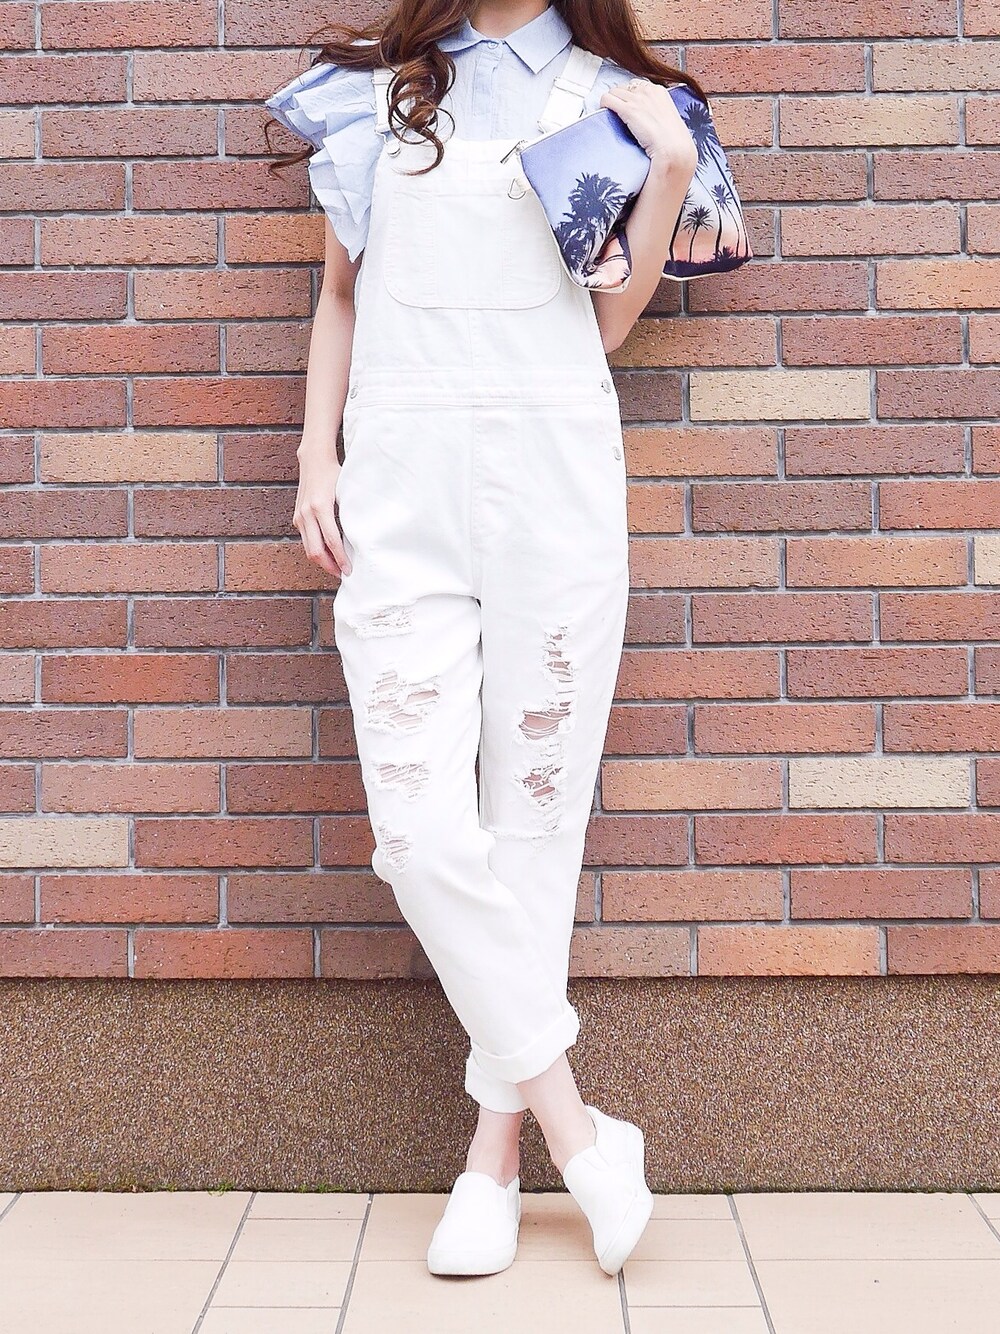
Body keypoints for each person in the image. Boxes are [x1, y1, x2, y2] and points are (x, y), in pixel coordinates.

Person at [265, 0, 699, 1280]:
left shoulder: (613, 98)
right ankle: (581, 1130)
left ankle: (491, 1160)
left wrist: (671, 169)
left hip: (552, 482)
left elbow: (604, 327)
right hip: (398, 490)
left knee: (535, 827)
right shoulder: (375, 89)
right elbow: (341, 293)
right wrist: (315, 457)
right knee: (417, 832)